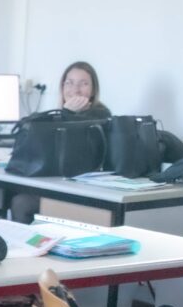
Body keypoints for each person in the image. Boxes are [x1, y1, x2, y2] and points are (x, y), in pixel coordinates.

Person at [10, 61, 112, 222]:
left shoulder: (100, 116)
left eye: (83, 84)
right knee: (15, 195)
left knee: (22, 203)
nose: (75, 90)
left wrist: (68, 114)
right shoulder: (57, 115)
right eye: (69, 83)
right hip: (53, 184)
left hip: (81, 191)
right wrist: (64, 113)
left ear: (93, 90)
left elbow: (74, 153)